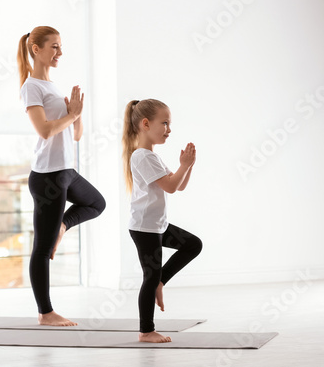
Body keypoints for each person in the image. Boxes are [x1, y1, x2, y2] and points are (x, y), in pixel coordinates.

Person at [17, 26, 106, 326]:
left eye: (60, 46)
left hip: (66, 170)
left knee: (96, 203)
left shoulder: (53, 87)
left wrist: (77, 114)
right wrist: (69, 115)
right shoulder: (32, 87)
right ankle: (46, 312)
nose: (60, 52)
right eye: (54, 46)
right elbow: (43, 130)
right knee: (42, 248)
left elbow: (76, 135)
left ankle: (63, 226)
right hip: (48, 178)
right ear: (35, 49)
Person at [122, 99, 203, 343]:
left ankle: (160, 280)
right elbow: (169, 186)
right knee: (149, 276)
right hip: (145, 228)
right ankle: (146, 331)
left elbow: (177, 186)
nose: (169, 129)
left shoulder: (151, 156)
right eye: (164, 123)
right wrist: (183, 166)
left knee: (193, 244)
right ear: (146, 124)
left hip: (157, 225)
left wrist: (187, 167)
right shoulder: (141, 157)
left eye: (170, 124)